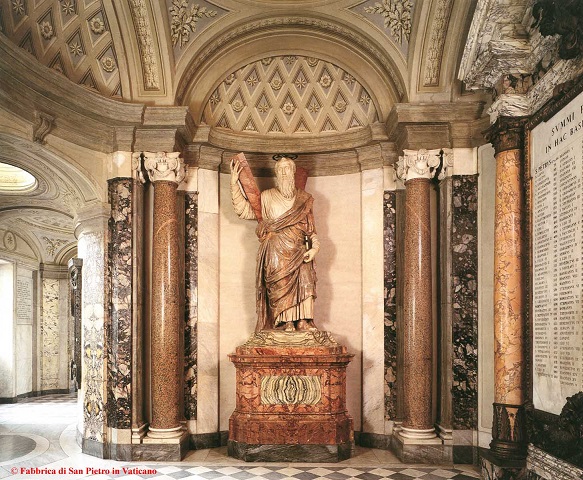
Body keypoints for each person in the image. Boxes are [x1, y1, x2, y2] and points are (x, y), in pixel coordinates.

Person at [230, 156, 320, 332]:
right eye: (280, 169)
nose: (284, 172)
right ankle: (286, 322)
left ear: (293, 171)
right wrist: (234, 184)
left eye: (287, 168)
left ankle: (303, 321)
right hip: (276, 250)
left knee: (306, 283)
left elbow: (311, 230)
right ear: (276, 173)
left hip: (301, 251)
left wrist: (315, 248)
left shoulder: (305, 199)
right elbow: (244, 211)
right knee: (281, 284)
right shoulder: (267, 196)